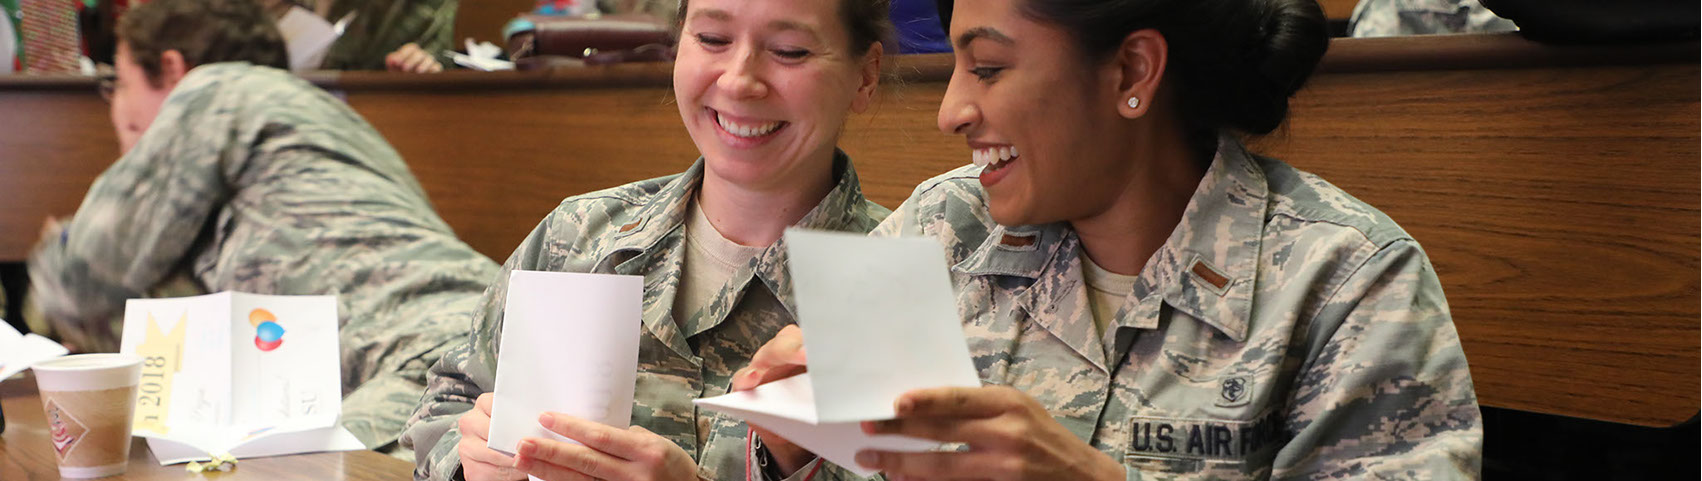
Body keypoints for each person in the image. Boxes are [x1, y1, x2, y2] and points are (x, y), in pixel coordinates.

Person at [736, 0, 1484, 479]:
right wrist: (783, 448)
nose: (953, 109)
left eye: (989, 68)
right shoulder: (942, 228)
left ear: (1132, 69)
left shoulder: (1346, 281)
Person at [399, 0, 891, 479]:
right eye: (713, 39)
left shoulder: (909, 281)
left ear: (864, 76)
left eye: (789, 50)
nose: (739, 80)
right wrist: (470, 462)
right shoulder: (581, 233)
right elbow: (449, 403)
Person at [25, 0, 498, 458]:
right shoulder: (308, 129)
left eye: (120, 84)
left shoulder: (217, 90)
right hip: (484, 333)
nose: (118, 110)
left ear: (171, 69)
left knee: (296, 471)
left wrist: (57, 249)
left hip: (434, 362)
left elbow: (79, 282)